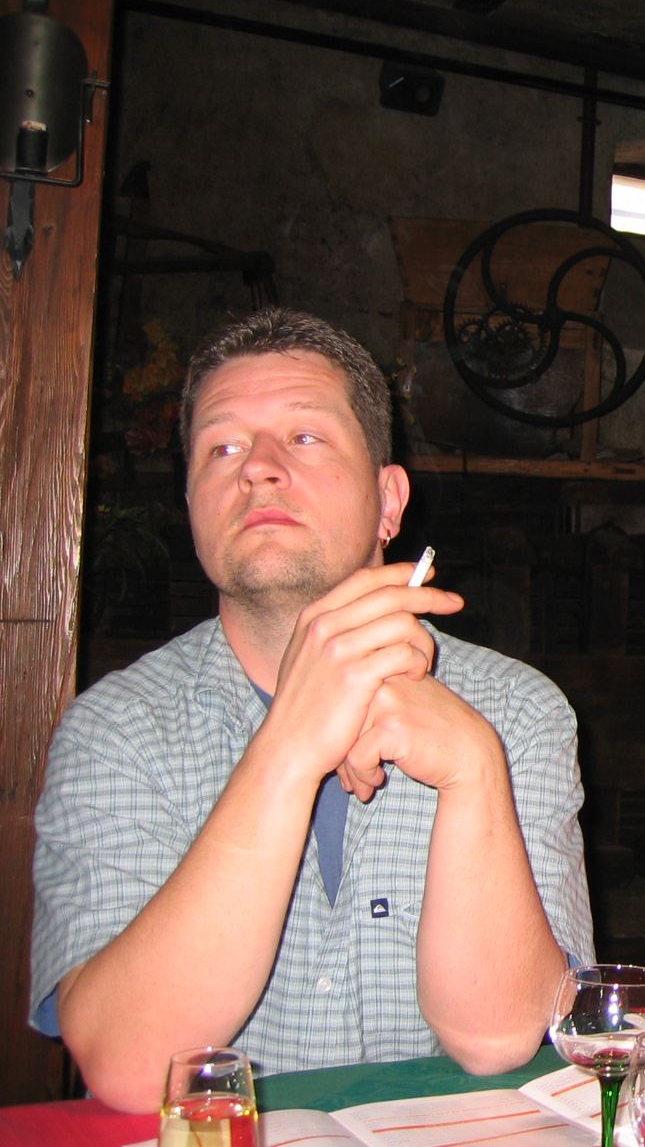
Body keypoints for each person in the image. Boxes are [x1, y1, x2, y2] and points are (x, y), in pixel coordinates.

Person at [30, 308, 594, 1110]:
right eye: (222, 448)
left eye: (304, 438)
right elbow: (129, 1068)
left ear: (388, 501)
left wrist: (475, 769)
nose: (258, 469)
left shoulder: (516, 712)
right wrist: (290, 744)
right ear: (192, 505)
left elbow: (498, 1038)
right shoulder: (114, 730)